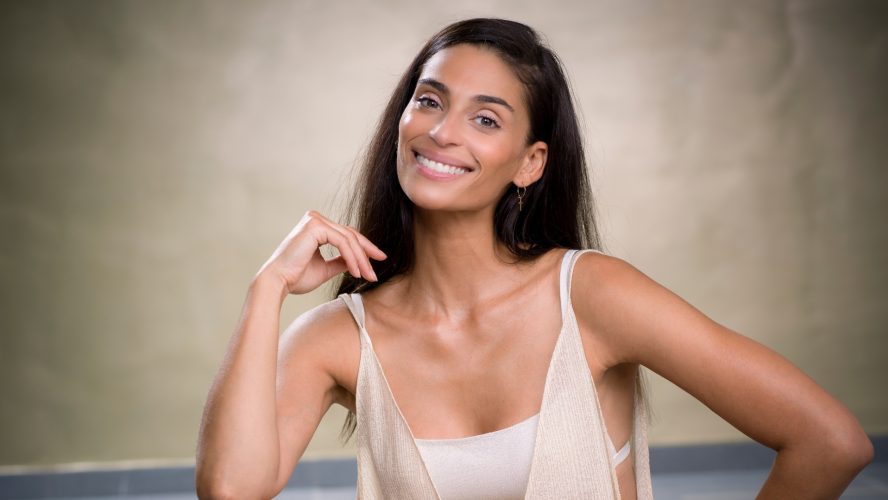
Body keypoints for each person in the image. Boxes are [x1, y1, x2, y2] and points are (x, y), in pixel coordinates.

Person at [195, 18, 873, 500]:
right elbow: (231, 489)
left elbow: (829, 441)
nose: (440, 130)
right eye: (428, 101)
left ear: (530, 163)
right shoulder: (338, 339)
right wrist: (268, 288)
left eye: (485, 119)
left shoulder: (592, 297)